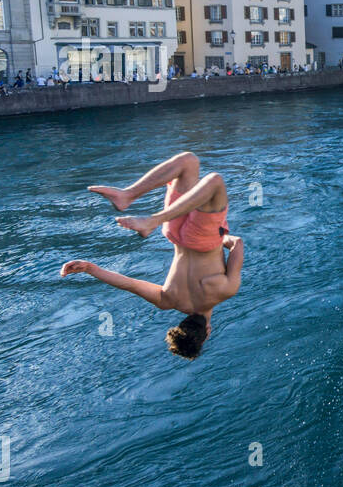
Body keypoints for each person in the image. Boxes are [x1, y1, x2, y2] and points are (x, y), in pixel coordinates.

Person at [62, 152, 244, 359]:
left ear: (208, 333)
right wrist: (89, 268)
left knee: (212, 179)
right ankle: (126, 196)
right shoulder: (167, 300)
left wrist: (221, 239)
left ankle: (148, 217)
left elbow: (237, 244)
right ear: (181, 324)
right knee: (187, 163)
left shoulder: (225, 291)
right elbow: (129, 284)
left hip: (202, 237)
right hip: (175, 233)